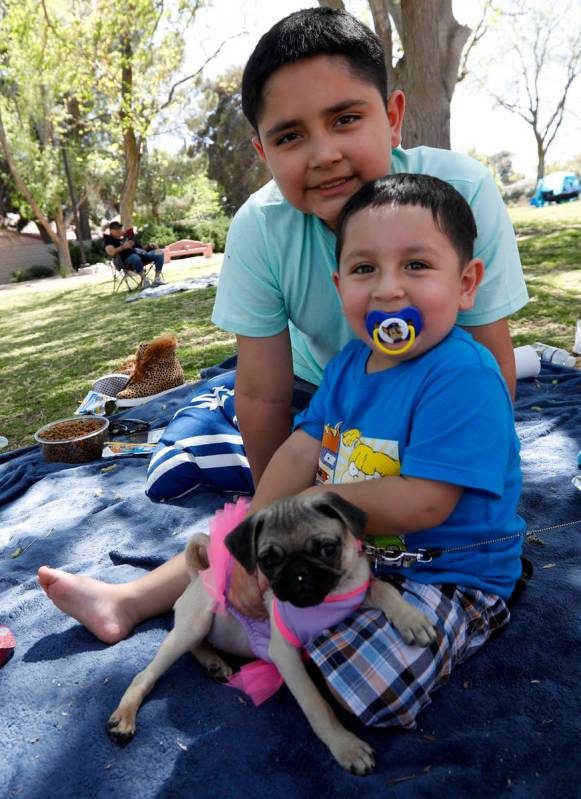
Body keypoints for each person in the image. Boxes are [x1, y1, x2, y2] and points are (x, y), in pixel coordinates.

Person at [38, 8, 527, 654]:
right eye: (291, 136)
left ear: (393, 115)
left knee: (396, 509)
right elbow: (264, 395)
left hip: (433, 403)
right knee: (284, 515)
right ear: (262, 151)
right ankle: (130, 599)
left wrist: (469, 480)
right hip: (323, 395)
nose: (324, 153)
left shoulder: (458, 192)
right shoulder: (260, 228)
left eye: (346, 119)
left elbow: (493, 367)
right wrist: (275, 531)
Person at [39, 173, 525, 728]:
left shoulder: (462, 376)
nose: (389, 289)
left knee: (373, 685)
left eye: (416, 265)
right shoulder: (348, 366)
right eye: (366, 269)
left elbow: (426, 503)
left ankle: (269, 637)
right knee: (256, 560)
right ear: (341, 285)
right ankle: (188, 612)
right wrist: (257, 529)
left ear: (466, 284)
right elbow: (300, 446)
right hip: (355, 558)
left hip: (449, 574)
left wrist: (318, 499)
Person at [103, 221, 165, 287]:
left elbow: (140, 248)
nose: (119, 230)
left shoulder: (128, 237)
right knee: (135, 257)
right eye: (116, 229)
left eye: (120, 228)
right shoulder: (109, 240)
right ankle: (144, 280)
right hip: (126, 260)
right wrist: (123, 247)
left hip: (141, 255)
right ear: (111, 230)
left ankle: (157, 279)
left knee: (159, 252)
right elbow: (111, 252)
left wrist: (149, 245)